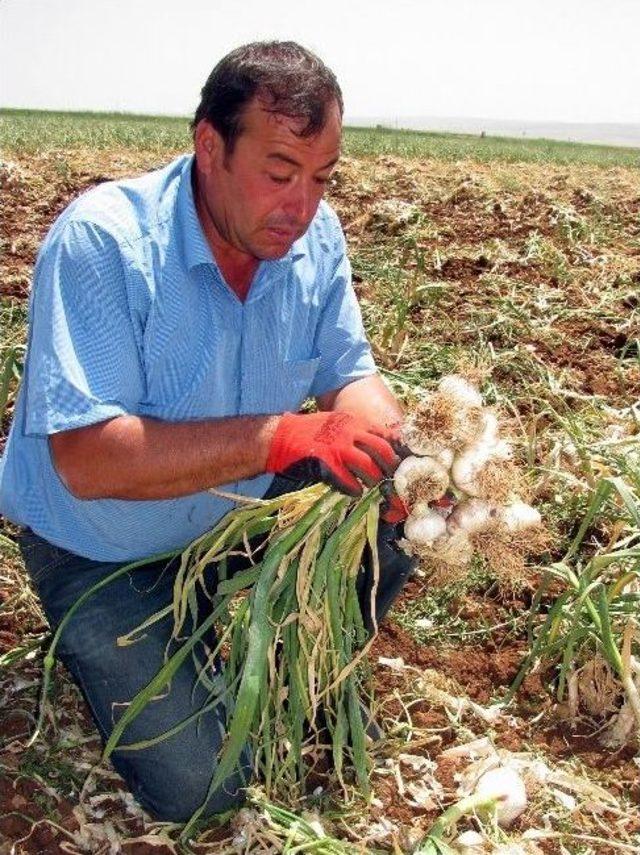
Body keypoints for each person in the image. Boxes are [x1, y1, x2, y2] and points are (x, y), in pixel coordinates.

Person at [0, 41, 413, 821]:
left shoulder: (312, 240)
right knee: (207, 787)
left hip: (238, 515)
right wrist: (278, 438)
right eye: (280, 172)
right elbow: (88, 459)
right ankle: (177, 640)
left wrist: (403, 455)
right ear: (209, 146)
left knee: (389, 509)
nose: (302, 206)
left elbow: (348, 373)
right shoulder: (104, 244)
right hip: (104, 548)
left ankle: (271, 654)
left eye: (322, 179)